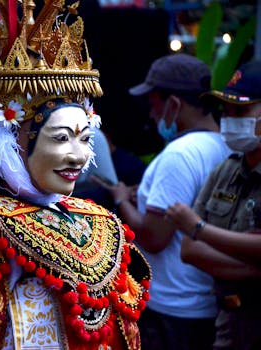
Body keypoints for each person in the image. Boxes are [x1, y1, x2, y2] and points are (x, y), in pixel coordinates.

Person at [0, 2, 150, 349]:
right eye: (61, 138)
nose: (78, 156)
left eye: (85, 139)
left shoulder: (101, 223)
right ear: (11, 142)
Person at [95, 53, 232, 350]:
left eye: (154, 103)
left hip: (173, 310)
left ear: (173, 104)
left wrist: (121, 200)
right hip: (205, 304)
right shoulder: (224, 146)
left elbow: (154, 236)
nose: (151, 114)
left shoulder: (179, 154)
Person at [165, 60, 261, 349]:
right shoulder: (226, 170)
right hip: (228, 323)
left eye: (241, 111)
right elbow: (190, 251)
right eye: (226, 111)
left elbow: (196, 237)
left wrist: (198, 228)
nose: (229, 119)